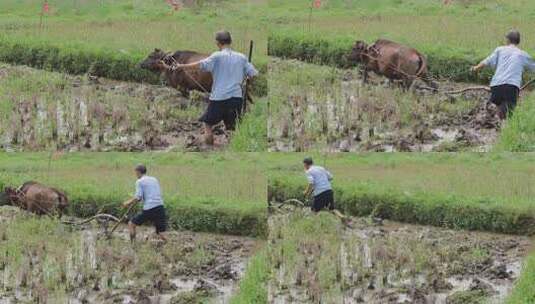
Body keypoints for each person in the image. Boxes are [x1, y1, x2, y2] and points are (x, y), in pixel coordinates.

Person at [172, 30, 259, 145]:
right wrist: (247, 79)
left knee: (207, 124)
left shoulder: (217, 56)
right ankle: (232, 149)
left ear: (218, 43)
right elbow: (254, 74)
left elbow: (200, 64)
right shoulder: (242, 57)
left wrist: (182, 65)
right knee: (232, 129)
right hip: (236, 98)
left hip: (219, 98)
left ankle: (209, 148)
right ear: (230, 41)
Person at [471, 30, 535, 120]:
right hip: (511, 87)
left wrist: (475, 68)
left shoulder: (500, 49)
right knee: (507, 115)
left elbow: (487, 61)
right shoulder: (522, 54)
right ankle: (499, 124)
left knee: (494, 106)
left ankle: (490, 117)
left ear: (508, 40)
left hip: (496, 85)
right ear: (518, 41)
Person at [122, 164, 167, 243]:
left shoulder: (139, 181)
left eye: (135, 172)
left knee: (131, 224)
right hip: (160, 206)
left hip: (150, 208)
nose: (135, 174)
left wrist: (127, 203)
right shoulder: (154, 179)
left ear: (138, 172)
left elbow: (138, 197)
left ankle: (133, 246)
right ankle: (169, 245)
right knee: (161, 232)